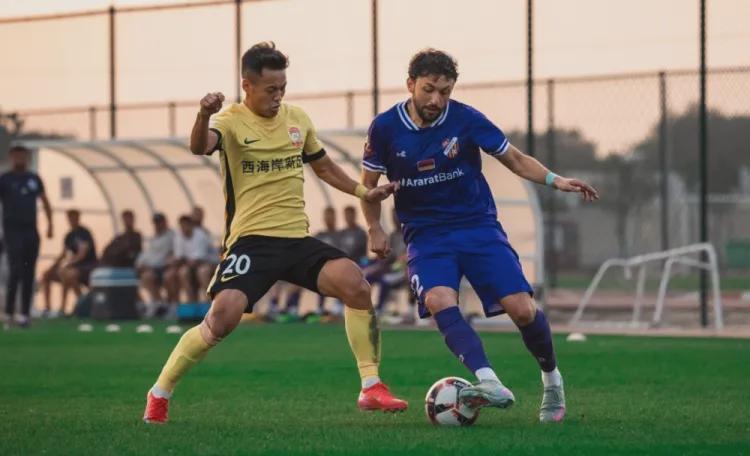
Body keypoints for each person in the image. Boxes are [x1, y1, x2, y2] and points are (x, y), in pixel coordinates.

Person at [143, 42, 407, 423]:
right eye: (270, 89)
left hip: (296, 240)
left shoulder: (297, 118)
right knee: (222, 318)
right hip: (251, 241)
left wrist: (364, 192)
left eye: (282, 87)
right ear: (247, 86)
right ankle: (159, 392)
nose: (278, 96)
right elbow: (200, 146)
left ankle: (371, 387)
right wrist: (203, 114)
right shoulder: (230, 121)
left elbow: (324, 168)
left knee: (356, 284)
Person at [360, 49, 599, 423]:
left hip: (477, 226)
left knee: (522, 309)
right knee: (438, 299)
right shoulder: (385, 128)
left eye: (445, 91)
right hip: (426, 235)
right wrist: (374, 227)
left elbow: (514, 159)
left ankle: (552, 380)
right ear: (410, 85)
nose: (436, 100)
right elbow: (368, 186)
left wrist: (556, 180)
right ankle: (489, 382)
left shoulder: (467, 119)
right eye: (428, 89)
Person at [0, 144, 53, 327]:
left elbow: (45, 200)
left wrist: (50, 224)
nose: (20, 159)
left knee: (29, 271)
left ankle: (24, 314)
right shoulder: (5, 179)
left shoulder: (33, 178)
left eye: (22, 156)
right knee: (15, 269)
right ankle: (9, 313)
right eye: (16, 156)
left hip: (30, 230)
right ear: (11, 158)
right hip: (12, 230)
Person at [41, 209, 98, 316]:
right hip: (74, 266)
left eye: (74, 217)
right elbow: (63, 254)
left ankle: (74, 306)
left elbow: (82, 252)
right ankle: (47, 309)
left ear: (78, 217)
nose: (72, 219)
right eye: (70, 217)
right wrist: (52, 268)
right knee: (47, 275)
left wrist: (69, 264)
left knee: (68, 274)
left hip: (88, 266)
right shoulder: (69, 235)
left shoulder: (84, 233)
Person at [165, 214, 215, 303]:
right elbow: (179, 257)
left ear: (191, 225)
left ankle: (209, 302)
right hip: (192, 265)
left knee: (202, 272)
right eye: (181, 226)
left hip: (209, 263)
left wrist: (178, 262)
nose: (183, 228)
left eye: (185, 225)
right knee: (180, 273)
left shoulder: (200, 235)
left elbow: (199, 259)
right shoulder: (179, 236)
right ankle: (190, 303)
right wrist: (173, 262)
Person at [135, 213, 175, 316]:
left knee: (160, 276)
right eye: (156, 223)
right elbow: (147, 254)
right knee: (146, 276)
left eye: (159, 222)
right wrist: (140, 264)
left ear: (165, 222)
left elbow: (170, 254)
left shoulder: (171, 236)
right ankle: (157, 303)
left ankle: (169, 305)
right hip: (153, 267)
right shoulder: (154, 238)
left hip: (164, 267)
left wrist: (153, 265)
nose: (157, 225)